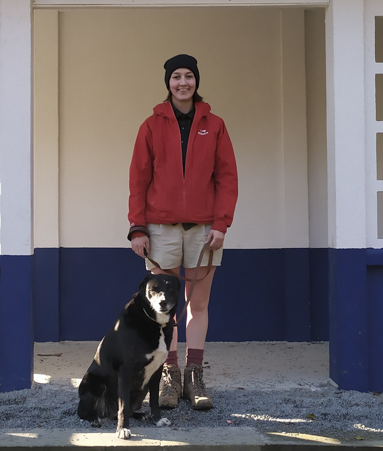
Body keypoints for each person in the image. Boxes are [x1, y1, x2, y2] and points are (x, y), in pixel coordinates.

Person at [127, 54, 238, 410]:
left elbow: (227, 178)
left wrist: (221, 223)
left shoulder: (215, 124)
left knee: (199, 303)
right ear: (168, 83)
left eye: (188, 76)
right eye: (176, 77)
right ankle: (169, 379)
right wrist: (137, 228)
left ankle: (195, 376)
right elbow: (138, 179)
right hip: (160, 229)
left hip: (205, 229)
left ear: (196, 81)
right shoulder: (151, 125)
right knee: (164, 308)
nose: (182, 83)